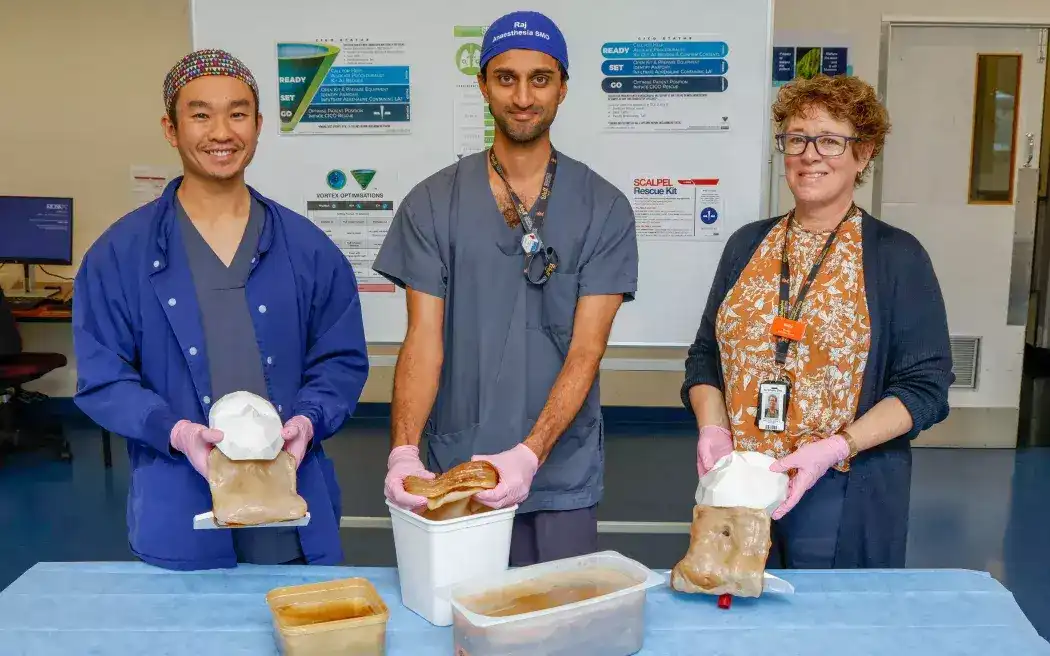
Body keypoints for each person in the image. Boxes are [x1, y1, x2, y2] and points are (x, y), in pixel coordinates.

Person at [72, 49, 369, 570]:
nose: (221, 132)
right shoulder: (120, 254)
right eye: (200, 114)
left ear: (258, 125)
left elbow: (339, 362)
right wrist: (175, 430)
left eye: (237, 113)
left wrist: (308, 420)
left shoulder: (309, 249)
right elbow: (102, 377)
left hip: (290, 507)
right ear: (171, 127)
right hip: (180, 509)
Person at [375, 10, 638, 566]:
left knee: (557, 632)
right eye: (506, 77)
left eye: (540, 78)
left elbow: (587, 348)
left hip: (560, 469)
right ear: (483, 85)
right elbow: (423, 337)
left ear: (563, 88)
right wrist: (403, 450)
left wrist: (530, 453)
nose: (523, 96)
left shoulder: (605, 208)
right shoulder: (432, 203)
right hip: (456, 467)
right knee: (465, 629)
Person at [682, 74, 954, 569]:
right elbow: (704, 357)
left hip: (840, 489)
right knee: (739, 626)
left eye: (830, 140)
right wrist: (712, 429)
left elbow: (926, 389)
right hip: (739, 483)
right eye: (796, 138)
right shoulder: (746, 245)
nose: (810, 154)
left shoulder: (898, 257)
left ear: (864, 153)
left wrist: (834, 448)